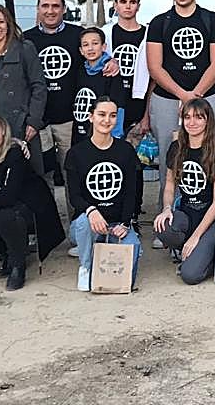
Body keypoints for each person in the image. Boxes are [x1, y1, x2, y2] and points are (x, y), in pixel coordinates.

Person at [146, 0, 215, 202]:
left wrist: (194, 97)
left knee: (208, 154)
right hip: (167, 99)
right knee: (167, 157)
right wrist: (183, 95)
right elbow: (155, 67)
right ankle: (167, 212)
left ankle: (208, 212)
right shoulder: (159, 23)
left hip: (206, 97)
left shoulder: (211, 20)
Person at [0, 108, 65, 291]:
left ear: (3, 131)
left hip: (32, 211)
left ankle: (18, 266)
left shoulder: (14, 153)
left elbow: (9, 195)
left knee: (6, 216)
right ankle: (7, 253)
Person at [153, 99, 215, 284]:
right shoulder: (176, 148)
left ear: (208, 121)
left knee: (190, 275)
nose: (192, 122)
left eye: (199, 117)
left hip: (214, 219)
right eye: (187, 117)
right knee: (162, 226)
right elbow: (169, 186)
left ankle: (211, 254)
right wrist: (166, 209)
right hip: (188, 213)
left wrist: (196, 237)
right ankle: (194, 251)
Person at [65, 97, 142, 291]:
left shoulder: (125, 150)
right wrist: (91, 211)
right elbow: (74, 196)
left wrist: (125, 223)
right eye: (101, 114)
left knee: (133, 253)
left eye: (112, 115)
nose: (107, 120)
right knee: (83, 224)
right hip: (87, 223)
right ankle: (86, 266)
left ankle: (101, 246)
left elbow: (131, 191)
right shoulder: (76, 153)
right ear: (90, 117)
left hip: (116, 223)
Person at [23, 0, 89, 180]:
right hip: (38, 121)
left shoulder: (79, 35)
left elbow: (95, 61)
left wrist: (110, 62)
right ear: (37, 8)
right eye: (45, 6)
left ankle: (77, 212)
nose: (50, 11)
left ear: (64, 9)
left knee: (73, 175)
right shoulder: (26, 39)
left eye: (55, 6)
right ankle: (47, 212)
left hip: (70, 120)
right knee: (42, 176)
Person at [0, 4, 48, 175]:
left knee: (27, 171)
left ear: (8, 24)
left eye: (0, 22)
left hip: (19, 118)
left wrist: (33, 121)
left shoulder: (24, 48)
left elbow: (38, 86)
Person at [103, 0, 151, 137]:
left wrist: (146, 116)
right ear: (115, 5)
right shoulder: (105, 33)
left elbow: (153, 77)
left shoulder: (149, 35)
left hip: (138, 102)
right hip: (111, 101)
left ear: (138, 6)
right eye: (123, 2)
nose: (128, 6)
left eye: (132, 2)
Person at [73, 27, 129, 145]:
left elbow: (119, 105)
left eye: (95, 43)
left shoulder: (111, 72)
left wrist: (116, 136)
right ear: (81, 50)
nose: (90, 48)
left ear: (104, 47)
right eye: (86, 45)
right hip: (81, 129)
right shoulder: (80, 70)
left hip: (103, 133)